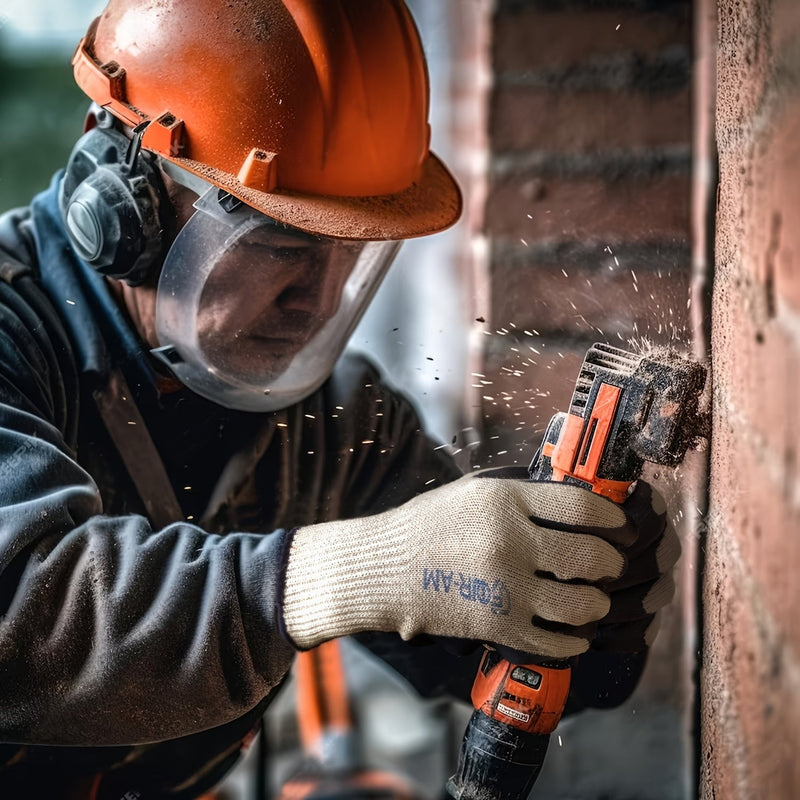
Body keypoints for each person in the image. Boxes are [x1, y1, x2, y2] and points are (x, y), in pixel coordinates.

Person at [0, 1, 679, 798]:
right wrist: (332, 575)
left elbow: (530, 666)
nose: (317, 302)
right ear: (119, 195)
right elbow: (23, 621)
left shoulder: (331, 418)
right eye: (277, 246)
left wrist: (581, 589)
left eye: (349, 258)